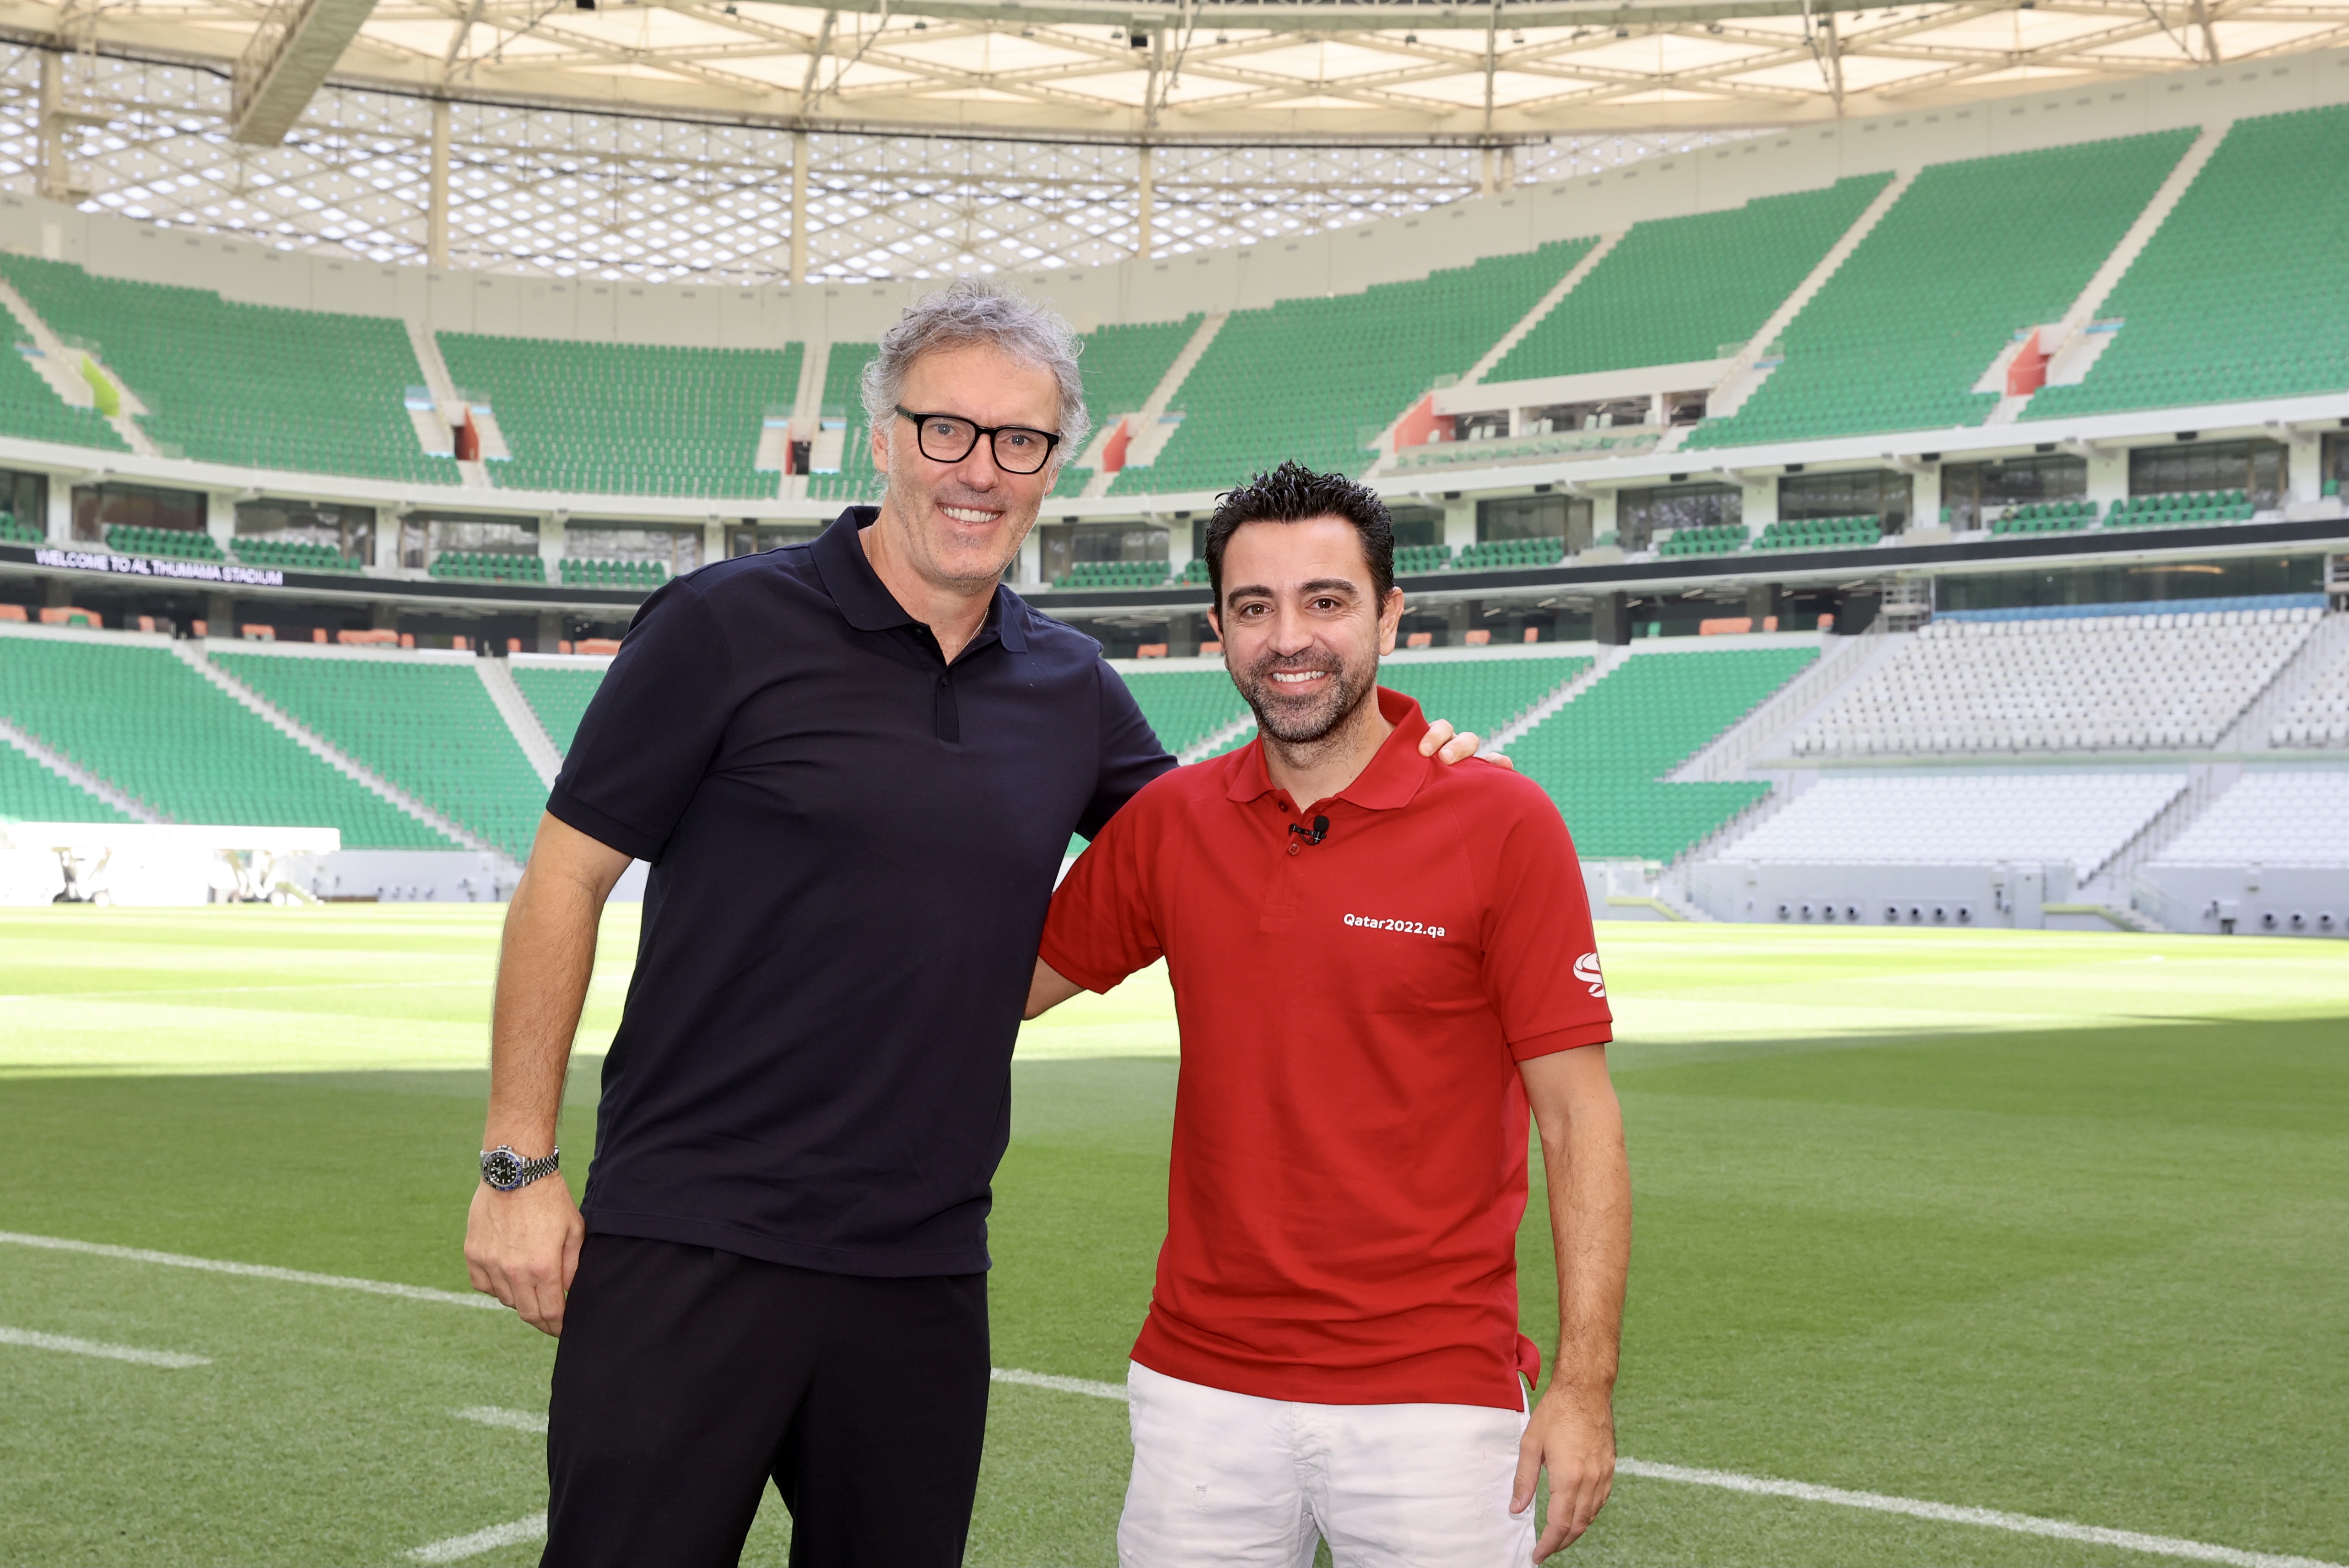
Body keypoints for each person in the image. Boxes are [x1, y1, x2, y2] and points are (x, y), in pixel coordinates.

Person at [461, 282, 1502, 1568]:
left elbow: (1236, 830)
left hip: (922, 1268)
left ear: (1052, 465)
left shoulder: (1067, 684)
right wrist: (518, 1159)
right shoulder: (724, 625)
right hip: (692, 1240)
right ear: (885, 440)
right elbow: (562, 879)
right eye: (946, 429)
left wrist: (1405, 748)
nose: (980, 470)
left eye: (1019, 441)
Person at [1026, 462, 1633, 1568]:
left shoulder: (1500, 820)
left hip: (1433, 1401)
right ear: (1217, 628)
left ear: (1389, 615)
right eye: (1253, 607)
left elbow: (1577, 1121)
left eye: (1325, 600)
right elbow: (988, 988)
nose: (1286, 637)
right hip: (1199, 1388)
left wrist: (1585, 1388)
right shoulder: (1170, 824)